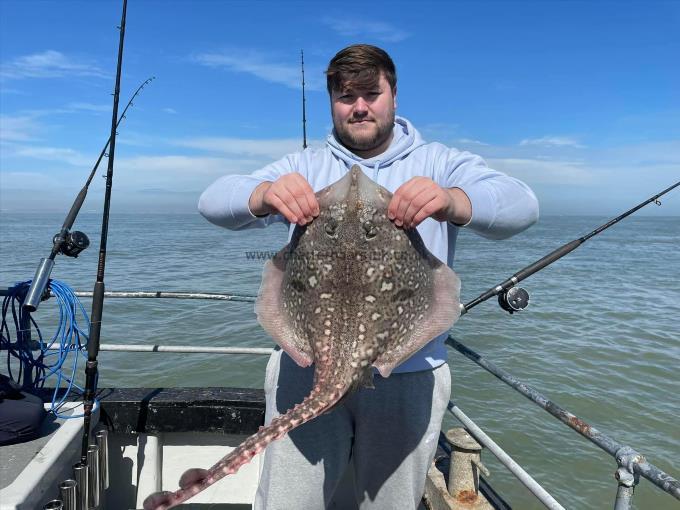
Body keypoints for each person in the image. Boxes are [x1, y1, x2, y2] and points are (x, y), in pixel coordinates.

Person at [199, 44, 538, 510]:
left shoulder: (440, 161)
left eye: (370, 93)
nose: (359, 106)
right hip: (307, 366)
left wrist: (453, 200)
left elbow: (522, 205)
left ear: (394, 95)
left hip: (407, 372)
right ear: (332, 103)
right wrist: (263, 193)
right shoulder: (304, 165)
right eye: (345, 96)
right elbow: (213, 200)